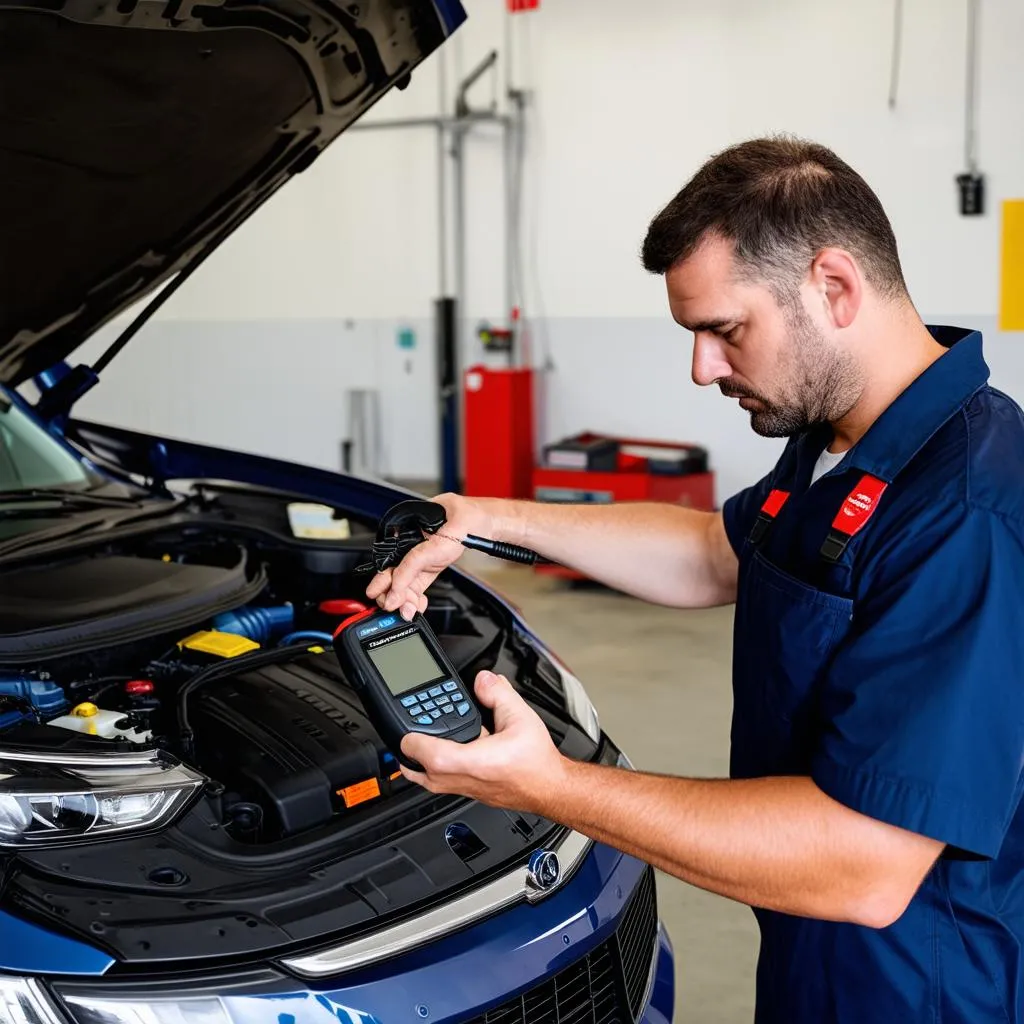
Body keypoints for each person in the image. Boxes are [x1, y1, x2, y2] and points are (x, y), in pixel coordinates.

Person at [366, 136, 1024, 1023]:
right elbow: (715, 554)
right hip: (815, 955)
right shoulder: (844, 437)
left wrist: (550, 786)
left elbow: (865, 867)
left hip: (920, 985)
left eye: (724, 330)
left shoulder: (965, 511)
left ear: (834, 287)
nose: (702, 369)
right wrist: (487, 519)